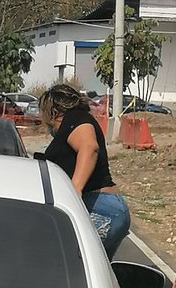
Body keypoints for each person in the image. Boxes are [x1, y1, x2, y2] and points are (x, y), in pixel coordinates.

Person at [38, 82, 130, 258]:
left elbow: (89, 147)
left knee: (65, 265)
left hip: (98, 209)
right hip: (107, 209)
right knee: (92, 277)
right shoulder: (78, 121)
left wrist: (74, 192)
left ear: (53, 111)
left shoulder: (75, 119)